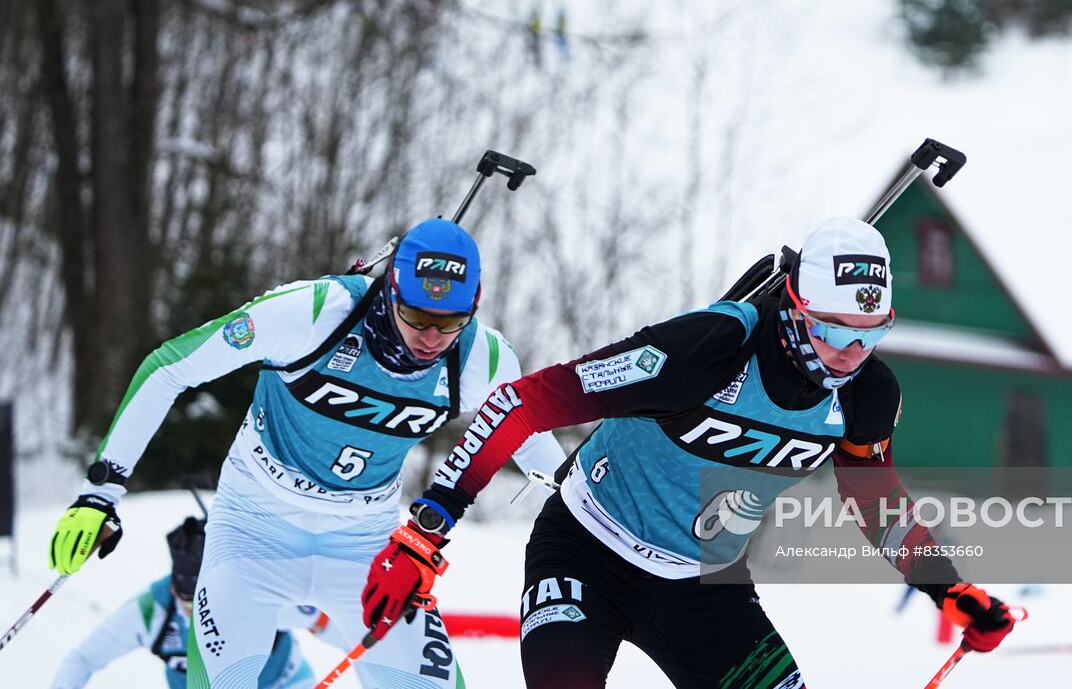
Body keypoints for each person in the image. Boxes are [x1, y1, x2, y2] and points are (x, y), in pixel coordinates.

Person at [359, 217, 1016, 688]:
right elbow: (521, 403)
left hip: (704, 587)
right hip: (588, 552)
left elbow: (874, 500)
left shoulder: (867, 393)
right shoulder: (705, 351)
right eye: (831, 330)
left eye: (870, 334)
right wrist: (427, 529)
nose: (849, 353)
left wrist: (946, 585)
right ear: (793, 308)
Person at [47, 219, 564, 688]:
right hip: (253, 529)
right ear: (390, 292)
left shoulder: (483, 357)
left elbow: (535, 447)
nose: (431, 338)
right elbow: (170, 367)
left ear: (472, 309)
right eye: (416, 315)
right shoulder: (312, 312)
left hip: (365, 546)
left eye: (449, 322)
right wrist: (100, 493)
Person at [51, 516, 324, 688]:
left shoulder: (264, 593)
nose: (202, 613)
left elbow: (329, 624)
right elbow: (83, 659)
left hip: (283, 681)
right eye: (190, 601)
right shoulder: (150, 611)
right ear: (174, 588)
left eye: (216, 600)